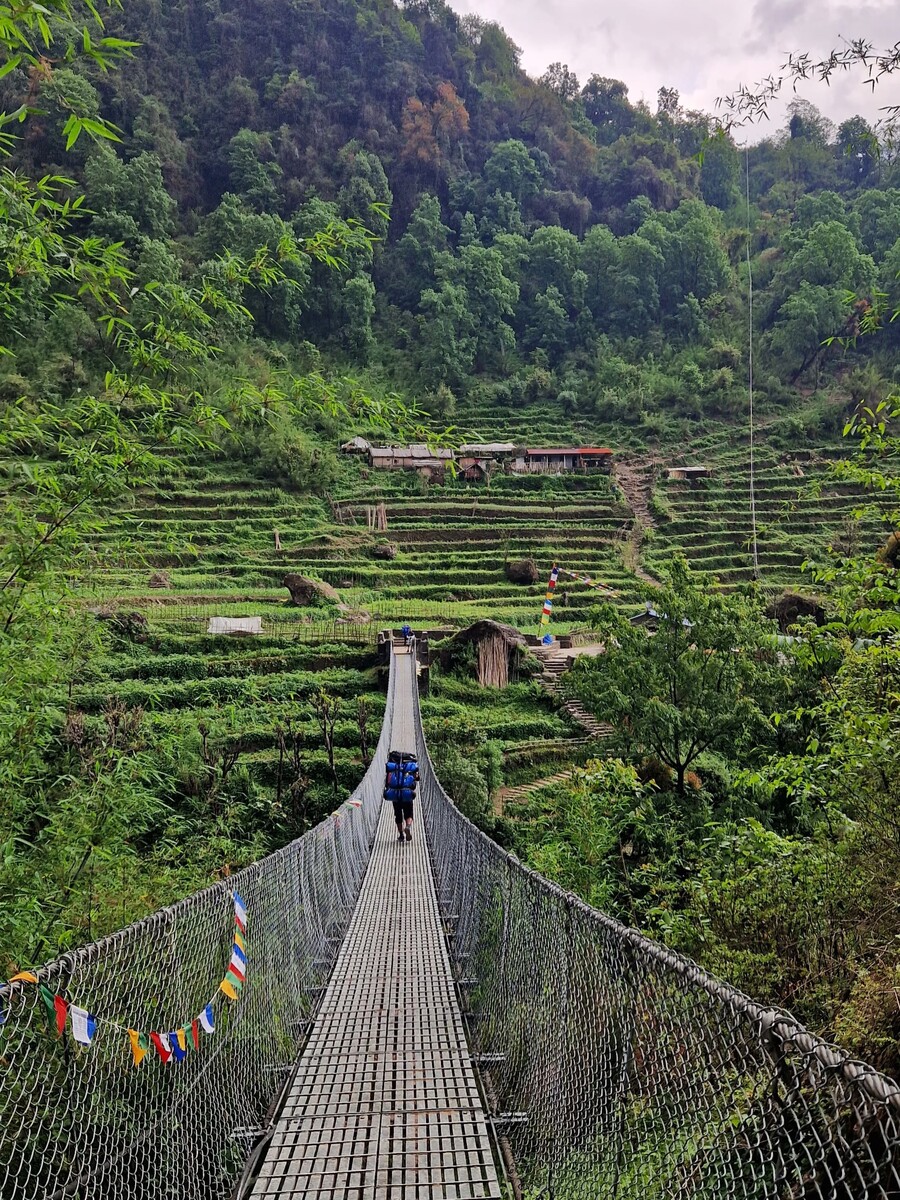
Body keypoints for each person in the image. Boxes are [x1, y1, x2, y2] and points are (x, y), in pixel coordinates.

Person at [383, 749, 419, 842]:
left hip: (395, 794)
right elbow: (416, 778)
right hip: (407, 794)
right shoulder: (410, 767)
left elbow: (387, 779)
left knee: (398, 815)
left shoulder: (393, 767)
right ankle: (408, 826)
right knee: (409, 813)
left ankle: (401, 835)